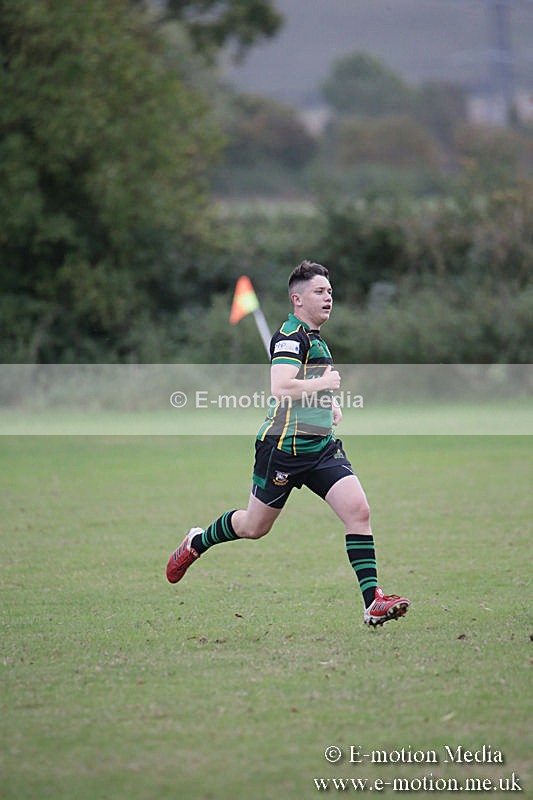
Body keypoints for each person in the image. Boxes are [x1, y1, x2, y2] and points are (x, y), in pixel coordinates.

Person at [166, 260, 410, 627]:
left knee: (358, 511)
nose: (328, 297)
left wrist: (328, 404)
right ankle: (197, 541)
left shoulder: (314, 338)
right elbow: (281, 387)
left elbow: (307, 385)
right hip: (283, 449)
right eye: (319, 291)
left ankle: (372, 602)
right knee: (254, 527)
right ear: (297, 299)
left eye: (330, 291)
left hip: (320, 449)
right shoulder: (289, 337)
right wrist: (324, 385)